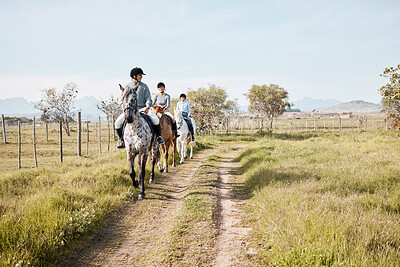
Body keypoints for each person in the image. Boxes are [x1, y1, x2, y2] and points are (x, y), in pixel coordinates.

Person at [115, 67, 165, 149]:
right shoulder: (127, 86)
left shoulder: (144, 86)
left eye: (141, 75)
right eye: (140, 75)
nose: (141, 77)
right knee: (117, 123)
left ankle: (158, 137)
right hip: (130, 110)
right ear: (134, 76)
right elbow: (123, 100)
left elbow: (149, 98)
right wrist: (125, 109)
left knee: (156, 120)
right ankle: (122, 140)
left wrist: (148, 106)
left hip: (143, 109)